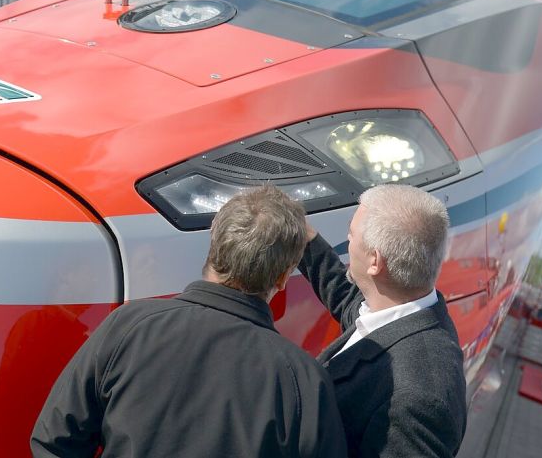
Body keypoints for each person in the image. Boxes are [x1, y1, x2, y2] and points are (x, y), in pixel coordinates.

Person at [31, 185, 347, 458]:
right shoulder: (302, 380)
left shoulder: (129, 327)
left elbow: (55, 440)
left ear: (214, 243)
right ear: (281, 278)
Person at [297, 184, 466, 457]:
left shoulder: (419, 401)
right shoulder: (402, 306)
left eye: (351, 235)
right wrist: (304, 237)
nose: (347, 242)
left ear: (375, 261)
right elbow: (348, 299)